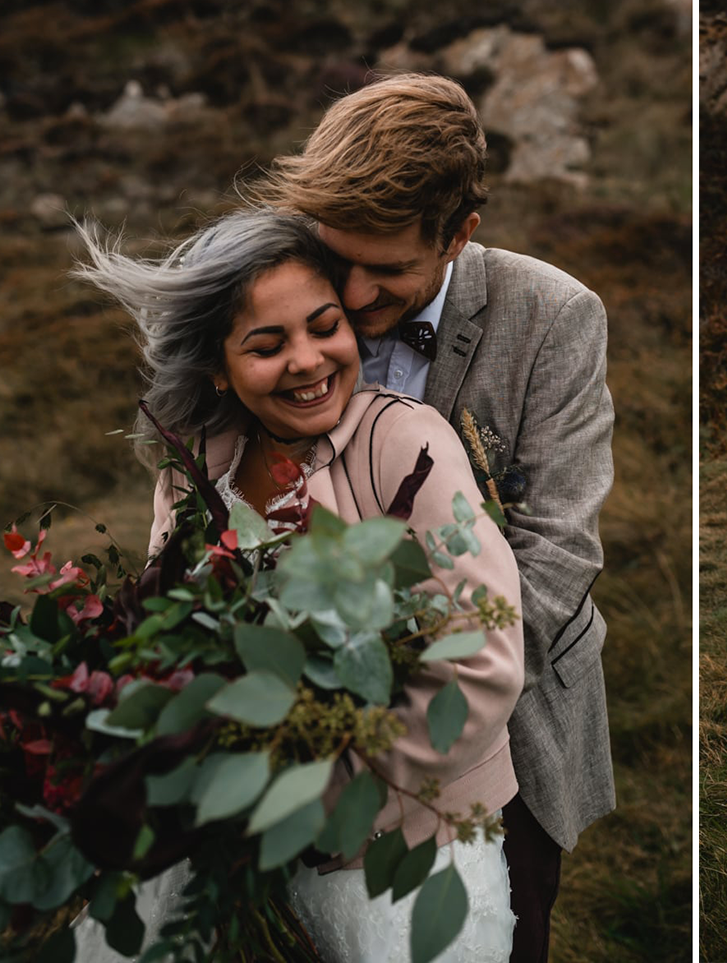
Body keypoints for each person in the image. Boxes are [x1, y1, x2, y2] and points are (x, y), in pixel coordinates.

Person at [72, 208, 524, 962]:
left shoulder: (403, 444)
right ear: (219, 365)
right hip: (234, 842)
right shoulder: (198, 465)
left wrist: (313, 802)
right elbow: (165, 640)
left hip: (402, 841)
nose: (309, 361)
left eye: (325, 327)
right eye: (267, 344)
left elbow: (483, 661)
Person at [251, 71, 615, 962]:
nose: (360, 296)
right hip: (295, 736)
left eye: (391, 270)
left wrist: (406, 709)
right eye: (344, 260)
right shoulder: (287, 296)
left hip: (508, 727)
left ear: (460, 236)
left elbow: (557, 553)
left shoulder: (555, 318)